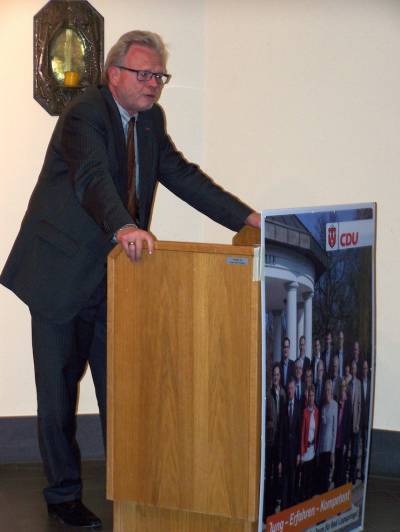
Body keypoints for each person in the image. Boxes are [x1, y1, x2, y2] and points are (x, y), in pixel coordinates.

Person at [0, 31, 260, 528]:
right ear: (113, 74)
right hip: (59, 274)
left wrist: (247, 219)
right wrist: (124, 226)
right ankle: (62, 497)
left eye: (159, 75)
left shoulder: (150, 121)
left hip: (113, 276)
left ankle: (134, 486)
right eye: (143, 74)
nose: (153, 83)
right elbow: (92, 178)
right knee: (57, 393)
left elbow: (183, 176)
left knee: (122, 387)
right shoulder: (83, 114)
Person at [265, 363, 286, 516]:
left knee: (279, 471)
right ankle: (269, 506)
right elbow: (265, 419)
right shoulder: (268, 393)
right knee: (270, 473)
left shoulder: (283, 393)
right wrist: (271, 424)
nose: (276, 377)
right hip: (271, 440)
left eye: (278, 375)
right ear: (272, 377)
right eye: (274, 375)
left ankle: (277, 500)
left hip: (280, 441)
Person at [279, 378, 301, 509]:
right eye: (289, 389)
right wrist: (280, 459)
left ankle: (291, 507)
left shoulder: (298, 406)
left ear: (295, 389)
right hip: (285, 452)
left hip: (294, 452)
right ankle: (284, 507)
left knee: (293, 480)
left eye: (292, 388)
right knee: (285, 481)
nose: (290, 391)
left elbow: (299, 431)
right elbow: (281, 433)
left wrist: (298, 453)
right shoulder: (283, 407)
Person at [317, 379, 338, 494]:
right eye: (326, 390)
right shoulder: (323, 406)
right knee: (321, 474)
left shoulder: (335, 405)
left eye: (329, 390)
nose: (327, 392)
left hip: (329, 446)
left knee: (326, 475)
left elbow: (335, 430)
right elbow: (321, 429)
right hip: (322, 446)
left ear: (332, 391)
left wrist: (333, 451)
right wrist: (318, 449)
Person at [300, 385, 319, 501]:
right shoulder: (305, 412)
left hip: (313, 449)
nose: (311, 398)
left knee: (311, 477)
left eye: (313, 395)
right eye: (310, 395)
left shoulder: (317, 412)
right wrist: (302, 451)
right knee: (304, 477)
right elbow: (302, 433)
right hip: (306, 449)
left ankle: (309, 500)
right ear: (308, 397)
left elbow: (317, 431)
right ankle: (303, 500)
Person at [333, 383, 352, 488]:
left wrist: (345, 443)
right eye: (341, 390)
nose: (342, 393)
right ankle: (336, 484)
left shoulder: (348, 405)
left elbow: (348, 426)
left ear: (346, 392)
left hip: (343, 440)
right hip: (337, 439)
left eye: (344, 391)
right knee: (337, 462)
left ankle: (341, 485)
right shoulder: (337, 403)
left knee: (342, 463)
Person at [348, 360, 362, 484]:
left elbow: (359, 405)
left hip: (355, 423)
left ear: (356, 370)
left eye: (354, 368)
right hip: (348, 422)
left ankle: (352, 476)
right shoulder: (348, 384)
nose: (353, 370)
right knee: (348, 449)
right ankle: (347, 476)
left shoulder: (359, 384)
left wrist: (357, 423)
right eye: (352, 368)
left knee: (354, 451)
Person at [360, 359, 371, 482]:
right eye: (363, 368)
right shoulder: (359, 383)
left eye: (366, 368)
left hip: (367, 422)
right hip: (359, 421)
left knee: (365, 449)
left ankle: (364, 472)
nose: (364, 370)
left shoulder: (371, 384)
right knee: (358, 448)